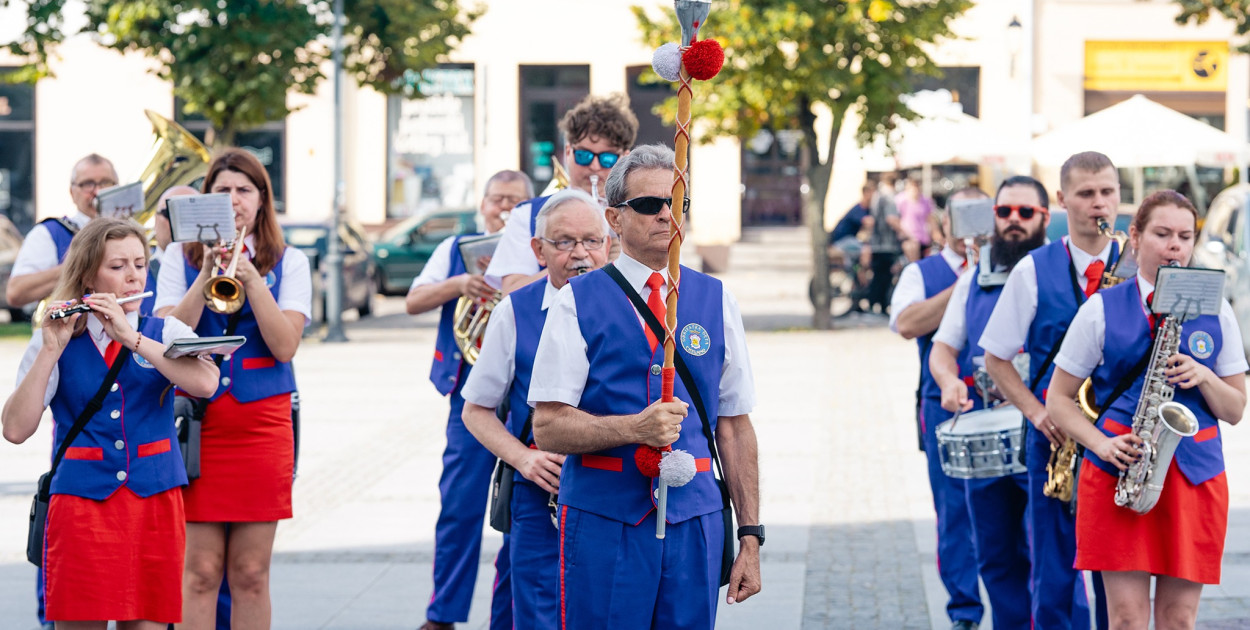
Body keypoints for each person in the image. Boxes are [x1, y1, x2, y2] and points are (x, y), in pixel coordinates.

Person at [529, 144, 761, 629]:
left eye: (677, 203)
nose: (666, 215)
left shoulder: (716, 299)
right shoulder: (577, 301)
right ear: (614, 218)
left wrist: (751, 536)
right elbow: (548, 427)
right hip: (604, 519)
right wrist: (633, 428)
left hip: (695, 517)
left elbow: (736, 426)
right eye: (649, 205)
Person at [2, 218, 219, 629]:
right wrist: (50, 349)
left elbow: (206, 383)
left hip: (153, 499)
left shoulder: (164, 330)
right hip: (81, 503)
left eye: (140, 263)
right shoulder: (57, 335)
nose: (134, 276)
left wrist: (132, 338)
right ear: (88, 275)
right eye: (118, 267)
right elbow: (15, 429)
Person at [1047, 190, 1246, 630]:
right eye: (1161, 233)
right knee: (1126, 620)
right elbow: (1057, 399)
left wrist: (1205, 376)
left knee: (1178, 620)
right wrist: (1101, 443)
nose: (1174, 246)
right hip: (1121, 467)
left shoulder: (1220, 312)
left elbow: (1235, 410)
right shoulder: (1100, 309)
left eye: (1184, 236)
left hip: (1195, 474)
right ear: (1135, 237)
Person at [155, 148, 312, 629]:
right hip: (197, 428)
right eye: (222, 190)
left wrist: (252, 279)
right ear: (207, 201)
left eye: (245, 190)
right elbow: (161, 341)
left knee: (249, 573)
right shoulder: (176, 260)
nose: (234, 199)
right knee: (199, 571)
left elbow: (285, 346)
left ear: (262, 201)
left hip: (261, 426)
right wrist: (205, 274)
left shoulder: (291, 261)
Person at [981, 151, 1123, 630]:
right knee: (1055, 575)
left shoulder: (1139, 264)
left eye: (1107, 192)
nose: (1098, 205)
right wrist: (1038, 413)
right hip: (1056, 440)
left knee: (1122, 575)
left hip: (1123, 440)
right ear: (1063, 201)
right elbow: (995, 358)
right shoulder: (1031, 269)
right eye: (1086, 194)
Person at [460, 189, 610, 630]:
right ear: (538, 250)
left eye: (592, 241)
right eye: (564, 242)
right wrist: (523, 458)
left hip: (613, 493)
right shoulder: (514, 310)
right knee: (539, 616)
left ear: (607, 244)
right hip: (539, 493)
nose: (580, 254)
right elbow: (475, 410)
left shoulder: (630, 305)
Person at [405, 169, 533, 630]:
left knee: (525, 509)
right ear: (481, 203)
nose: (503, 208)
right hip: (469, 389)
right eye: (497, 199)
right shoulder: (456, 248)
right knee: (459, 505)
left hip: (525, 394)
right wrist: (460, 286)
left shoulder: (538, 248)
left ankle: (511, 614)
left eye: (516, 203)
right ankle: (443, 615)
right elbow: (413, 300)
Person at [930, 176, 1051, 630]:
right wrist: (947, 381)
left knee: (1054, 560)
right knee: (996, 558)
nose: (1014, 221)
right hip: (987, 438)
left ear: (1044, 217)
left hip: (1049, 434)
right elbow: (944, 349)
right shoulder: (973, 279)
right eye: (1004, 213)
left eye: (1025, 213)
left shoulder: (1059, 273)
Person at [889, 187, 986, 630]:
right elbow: (906, 324)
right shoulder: (922, 272)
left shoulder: (1014, 268)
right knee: (953, 511)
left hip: (1005, 399)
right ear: (944, 223)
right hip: (943, 403)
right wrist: (966, 284)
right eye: (963, 217)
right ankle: (964, 610)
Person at [485, 93, 638, 294]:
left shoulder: (638, 212)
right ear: (568, 151)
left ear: (624, 158)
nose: (594, 166)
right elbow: (511, 292)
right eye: (583, 155)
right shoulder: (527, 214)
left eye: (607, 158)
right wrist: (581, 264)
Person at [7, 154, 118, 310]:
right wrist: (78, 265)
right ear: (72, 192)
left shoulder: (132, 232)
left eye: (106, 183)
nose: (98, 192)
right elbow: (15, 292)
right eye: (88, 184)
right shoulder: (49, 232)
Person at [866, 175, 908, 313]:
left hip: (876, 243)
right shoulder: (889, 197)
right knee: (885, 276)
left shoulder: (877, 196)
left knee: (878, 275)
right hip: (886, 243)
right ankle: (882, 305)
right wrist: (904, 232)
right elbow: (891, 219)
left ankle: (873, 304)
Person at [828, 183, 875, 293]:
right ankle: (863, 272)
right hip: (842, 240)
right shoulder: (858, 209)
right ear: (865, 194)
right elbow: (869, 223)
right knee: (865, 250)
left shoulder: (867, 209)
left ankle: (859, 278)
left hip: (849, 240)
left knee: (857, 263)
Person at [897, 177, 935, 261]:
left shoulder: (925, 201)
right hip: (907, 236)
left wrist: (936, 234)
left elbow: (930, 219)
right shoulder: (901, 200)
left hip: (923, 237)